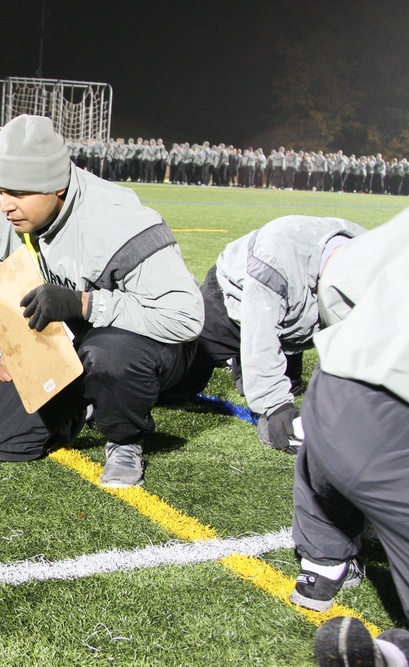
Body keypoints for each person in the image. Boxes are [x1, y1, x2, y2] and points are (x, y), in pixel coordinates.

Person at [0, 115, 203, 488]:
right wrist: (0, 347)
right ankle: (85, 402)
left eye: (19, 193)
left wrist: (84, 304)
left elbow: (185, 317)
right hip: (67, 338)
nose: (5, 205)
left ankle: (125, 439)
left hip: (142, 341)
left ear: (57, 187)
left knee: (111, 357)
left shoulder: (117, 221)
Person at [284, 210, 409, 667]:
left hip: (333, 390)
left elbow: (344, 277)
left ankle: (321, 566)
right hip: (394, 413)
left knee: (325, 487)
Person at [168, 215, 365, 452]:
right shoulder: (276, 259)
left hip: (293, 320)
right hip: (231, 304)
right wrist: (275, 408)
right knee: (180, 384)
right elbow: (260, 335)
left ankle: (257, 363)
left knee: (290, 385)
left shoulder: (367, 254)